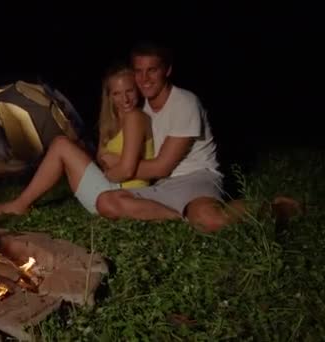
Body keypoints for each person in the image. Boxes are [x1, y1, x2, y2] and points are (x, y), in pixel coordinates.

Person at [94, 41, 263, 232]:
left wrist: (119, 166)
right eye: (138, 71)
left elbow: (161, 167)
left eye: (152, 70)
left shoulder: (185, 102)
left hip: (197, 178)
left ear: (167, 70)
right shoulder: (140, 108)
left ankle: (272, 207)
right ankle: (177, 218)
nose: (144, 79)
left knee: (210, 220)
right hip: (162, 186)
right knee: (105, 202)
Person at [0, 64, 155, 216]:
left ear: (138, 90)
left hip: (126, 195)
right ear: (109, 96)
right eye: (117, 93)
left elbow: (125, 171)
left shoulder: (135, 117)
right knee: (63, 145)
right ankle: (20, 203)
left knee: (61, 144)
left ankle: (20, 204)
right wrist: (110, 163)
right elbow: (101, 158)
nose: (124, 99)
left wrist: (111, 167)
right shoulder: (111, 120)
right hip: (108, 191)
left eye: (129, 91)